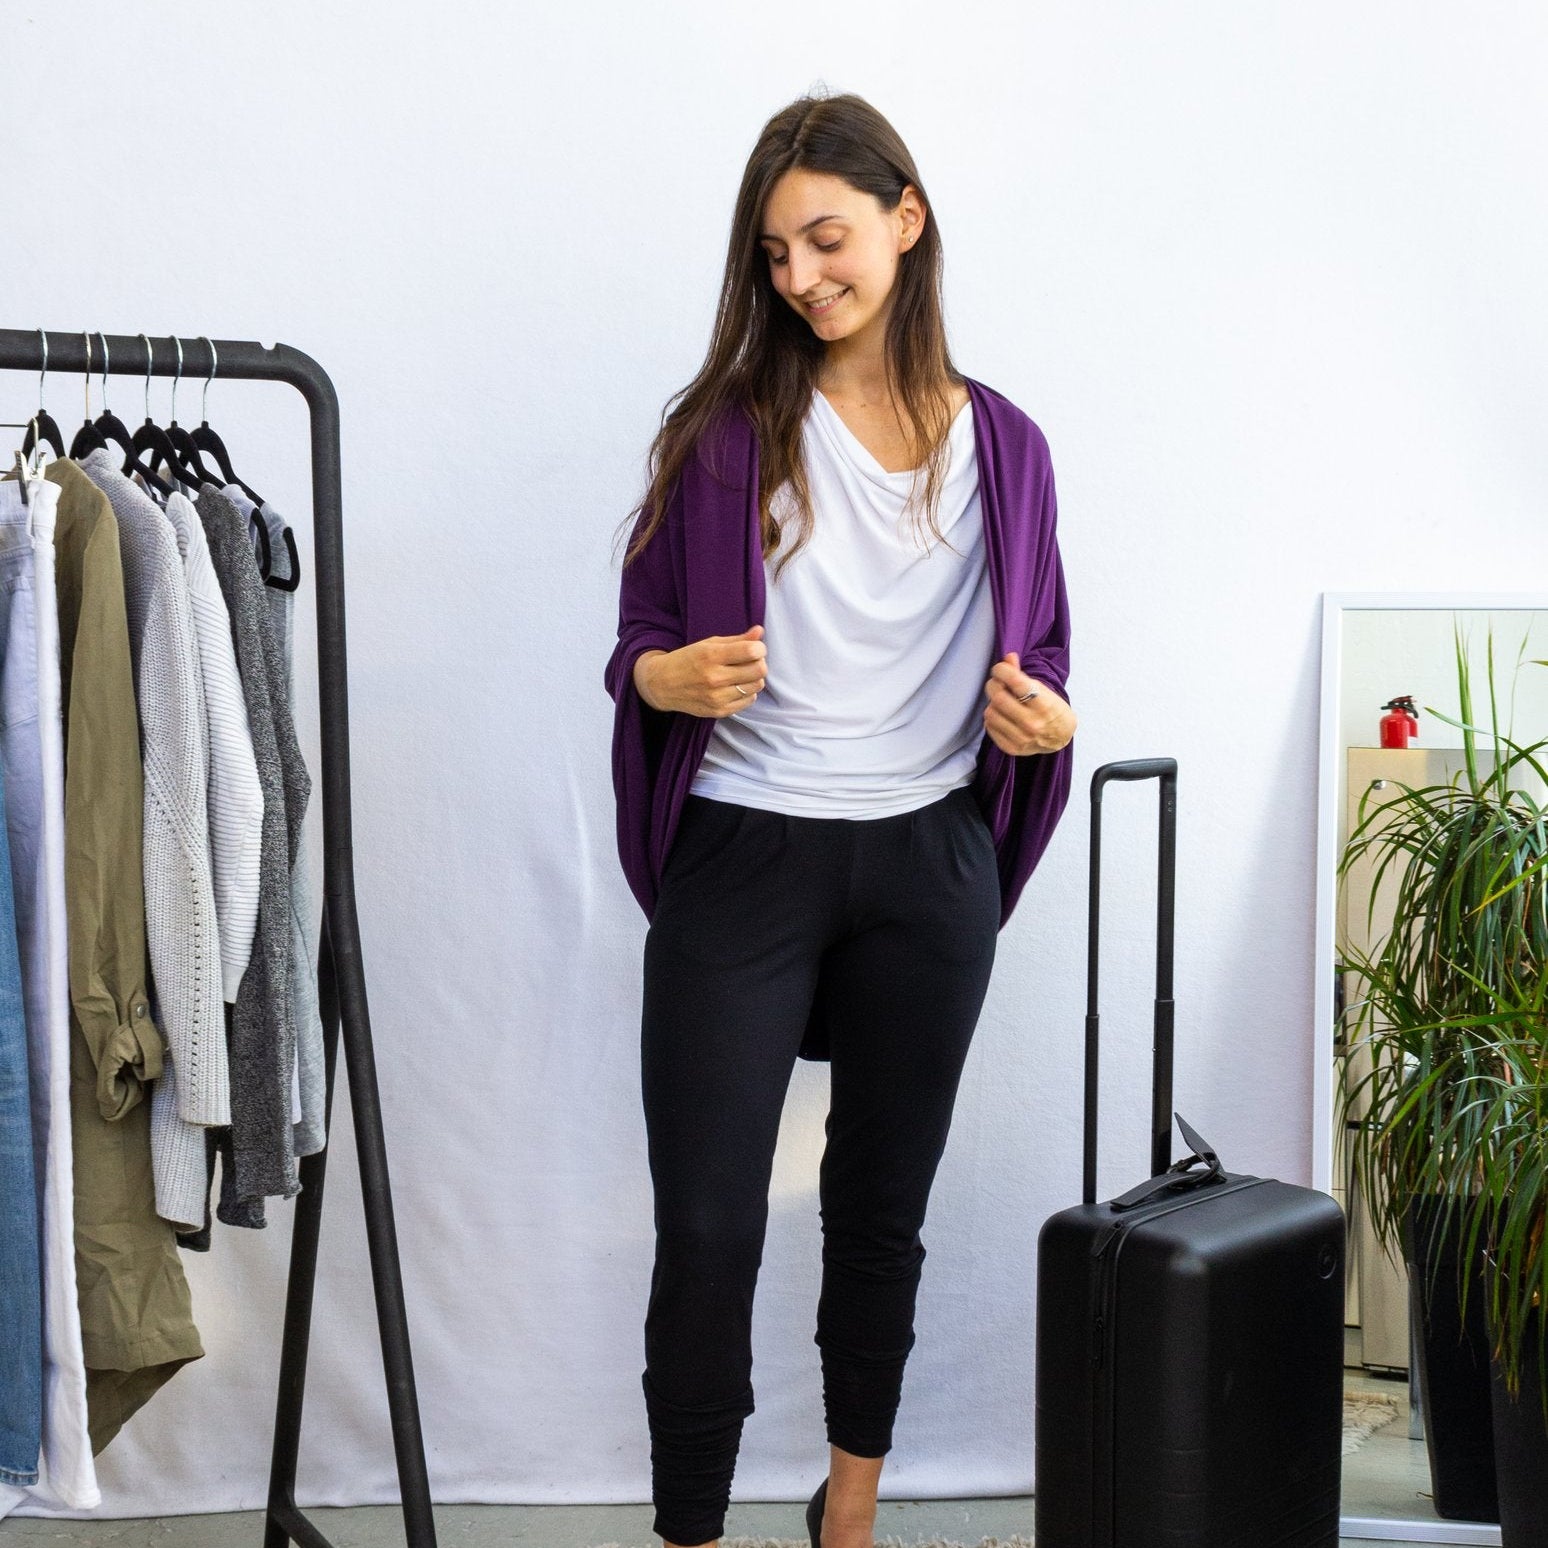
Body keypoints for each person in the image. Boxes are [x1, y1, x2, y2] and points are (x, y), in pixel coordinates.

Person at [604, 89, 1077, 1548]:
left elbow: (1047, 656)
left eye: (827, 238)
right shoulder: (727, 435)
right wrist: (666, 677)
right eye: (776, 254)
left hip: (929, 864)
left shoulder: (1008, 448)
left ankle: (850, 1513)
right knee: (707, 1225)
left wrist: (1049, 721)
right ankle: (691, 1530)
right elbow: (636, 644)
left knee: (881, 1213)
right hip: (744, 848)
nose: (803, 277)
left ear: (905, 220)